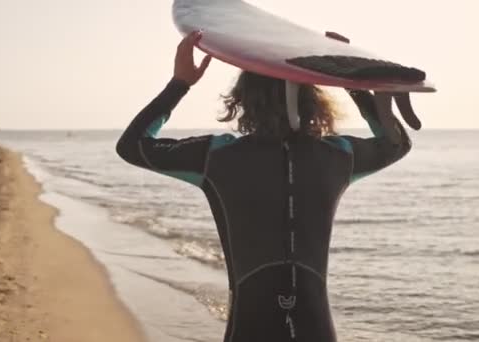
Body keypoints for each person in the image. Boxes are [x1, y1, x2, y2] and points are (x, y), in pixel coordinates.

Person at [116, 31, 411, 342]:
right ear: (313, 100)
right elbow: (396, 144)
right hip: (316, 328)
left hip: (250, 326)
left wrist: (180, 84)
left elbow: (133, 145)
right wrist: (353, 83)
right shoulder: (338, 155)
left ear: (243, 100)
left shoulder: (218, 157)